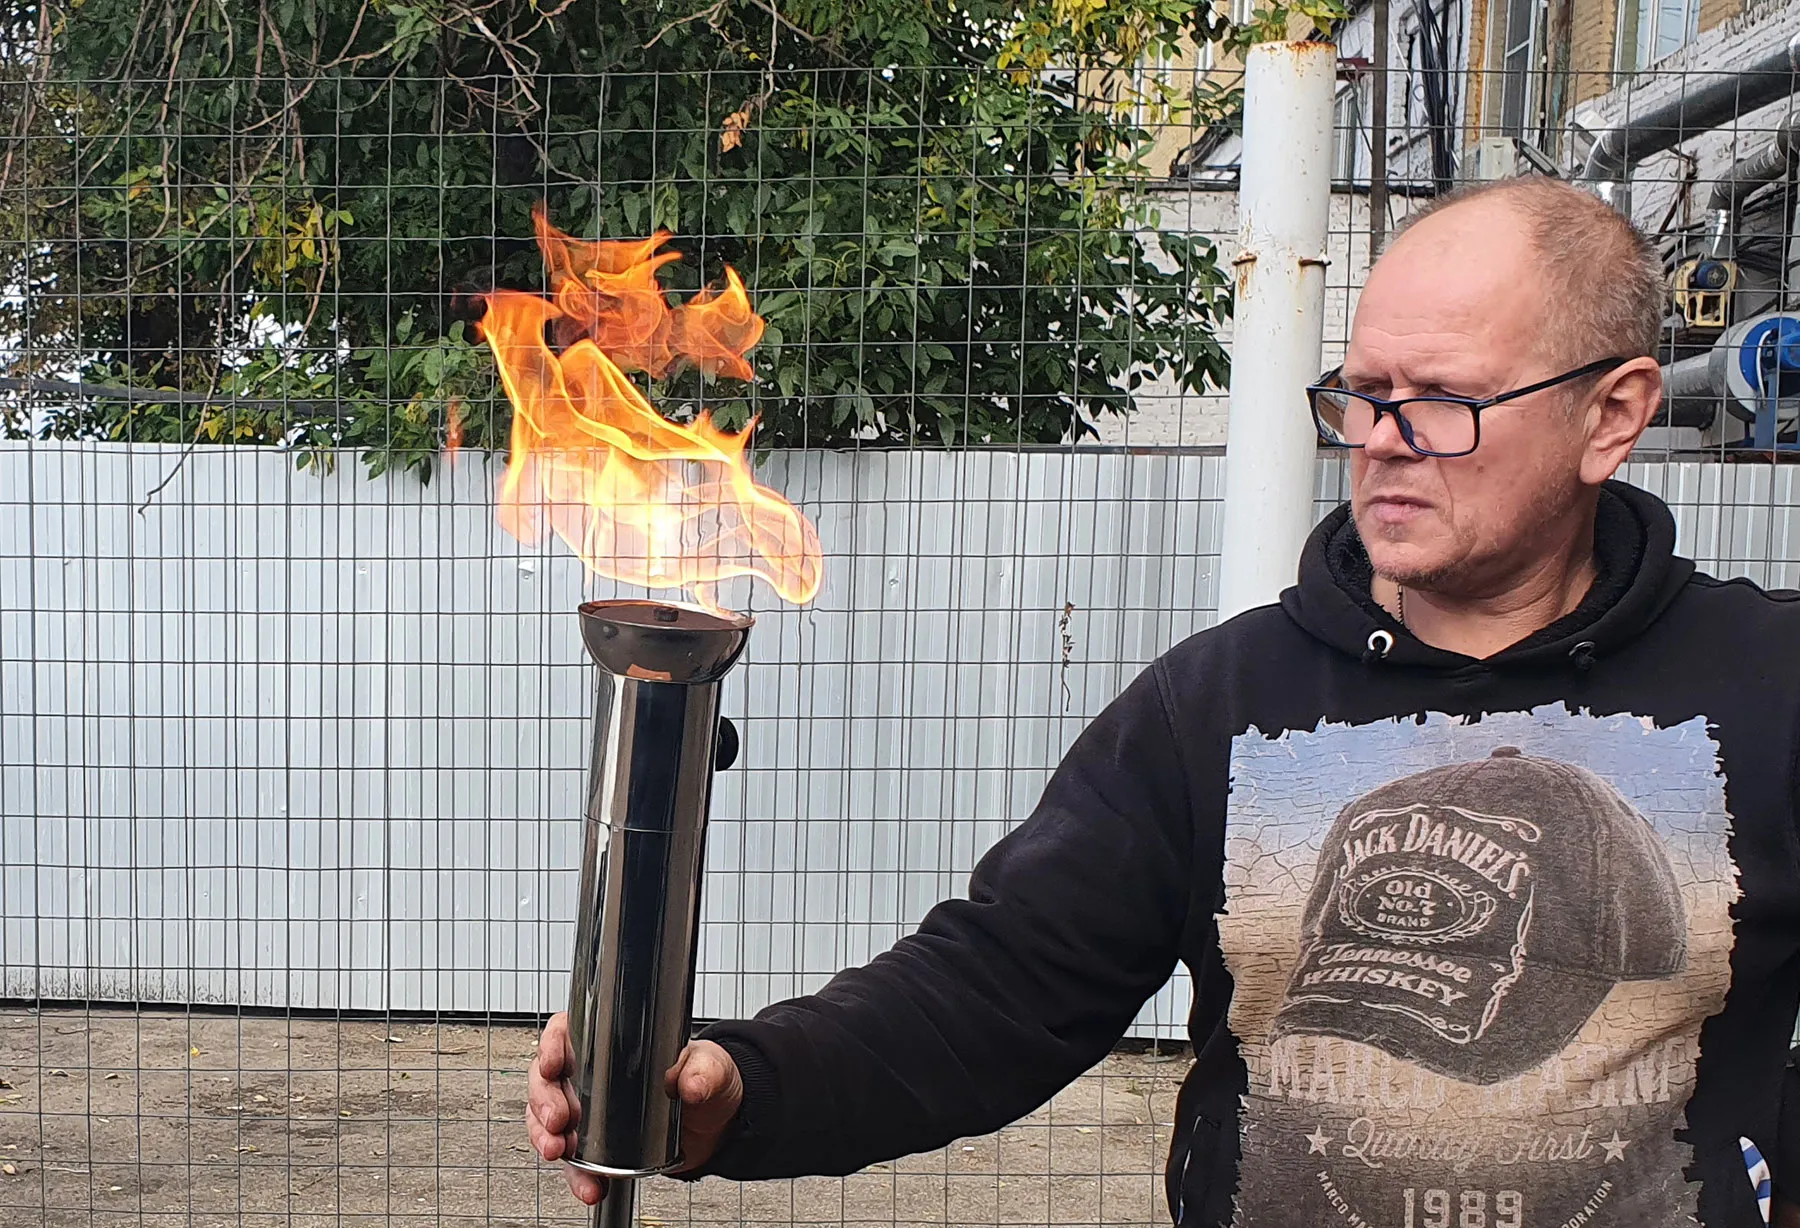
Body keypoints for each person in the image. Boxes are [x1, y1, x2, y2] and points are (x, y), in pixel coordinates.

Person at [528, 175, 1800, 1227]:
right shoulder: (1223, 704)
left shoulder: (1766, 687)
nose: (1379, 438)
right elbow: (996, 991)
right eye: (1363, 392)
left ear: (1612, 416)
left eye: (1442, 402)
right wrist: (741, 1086)